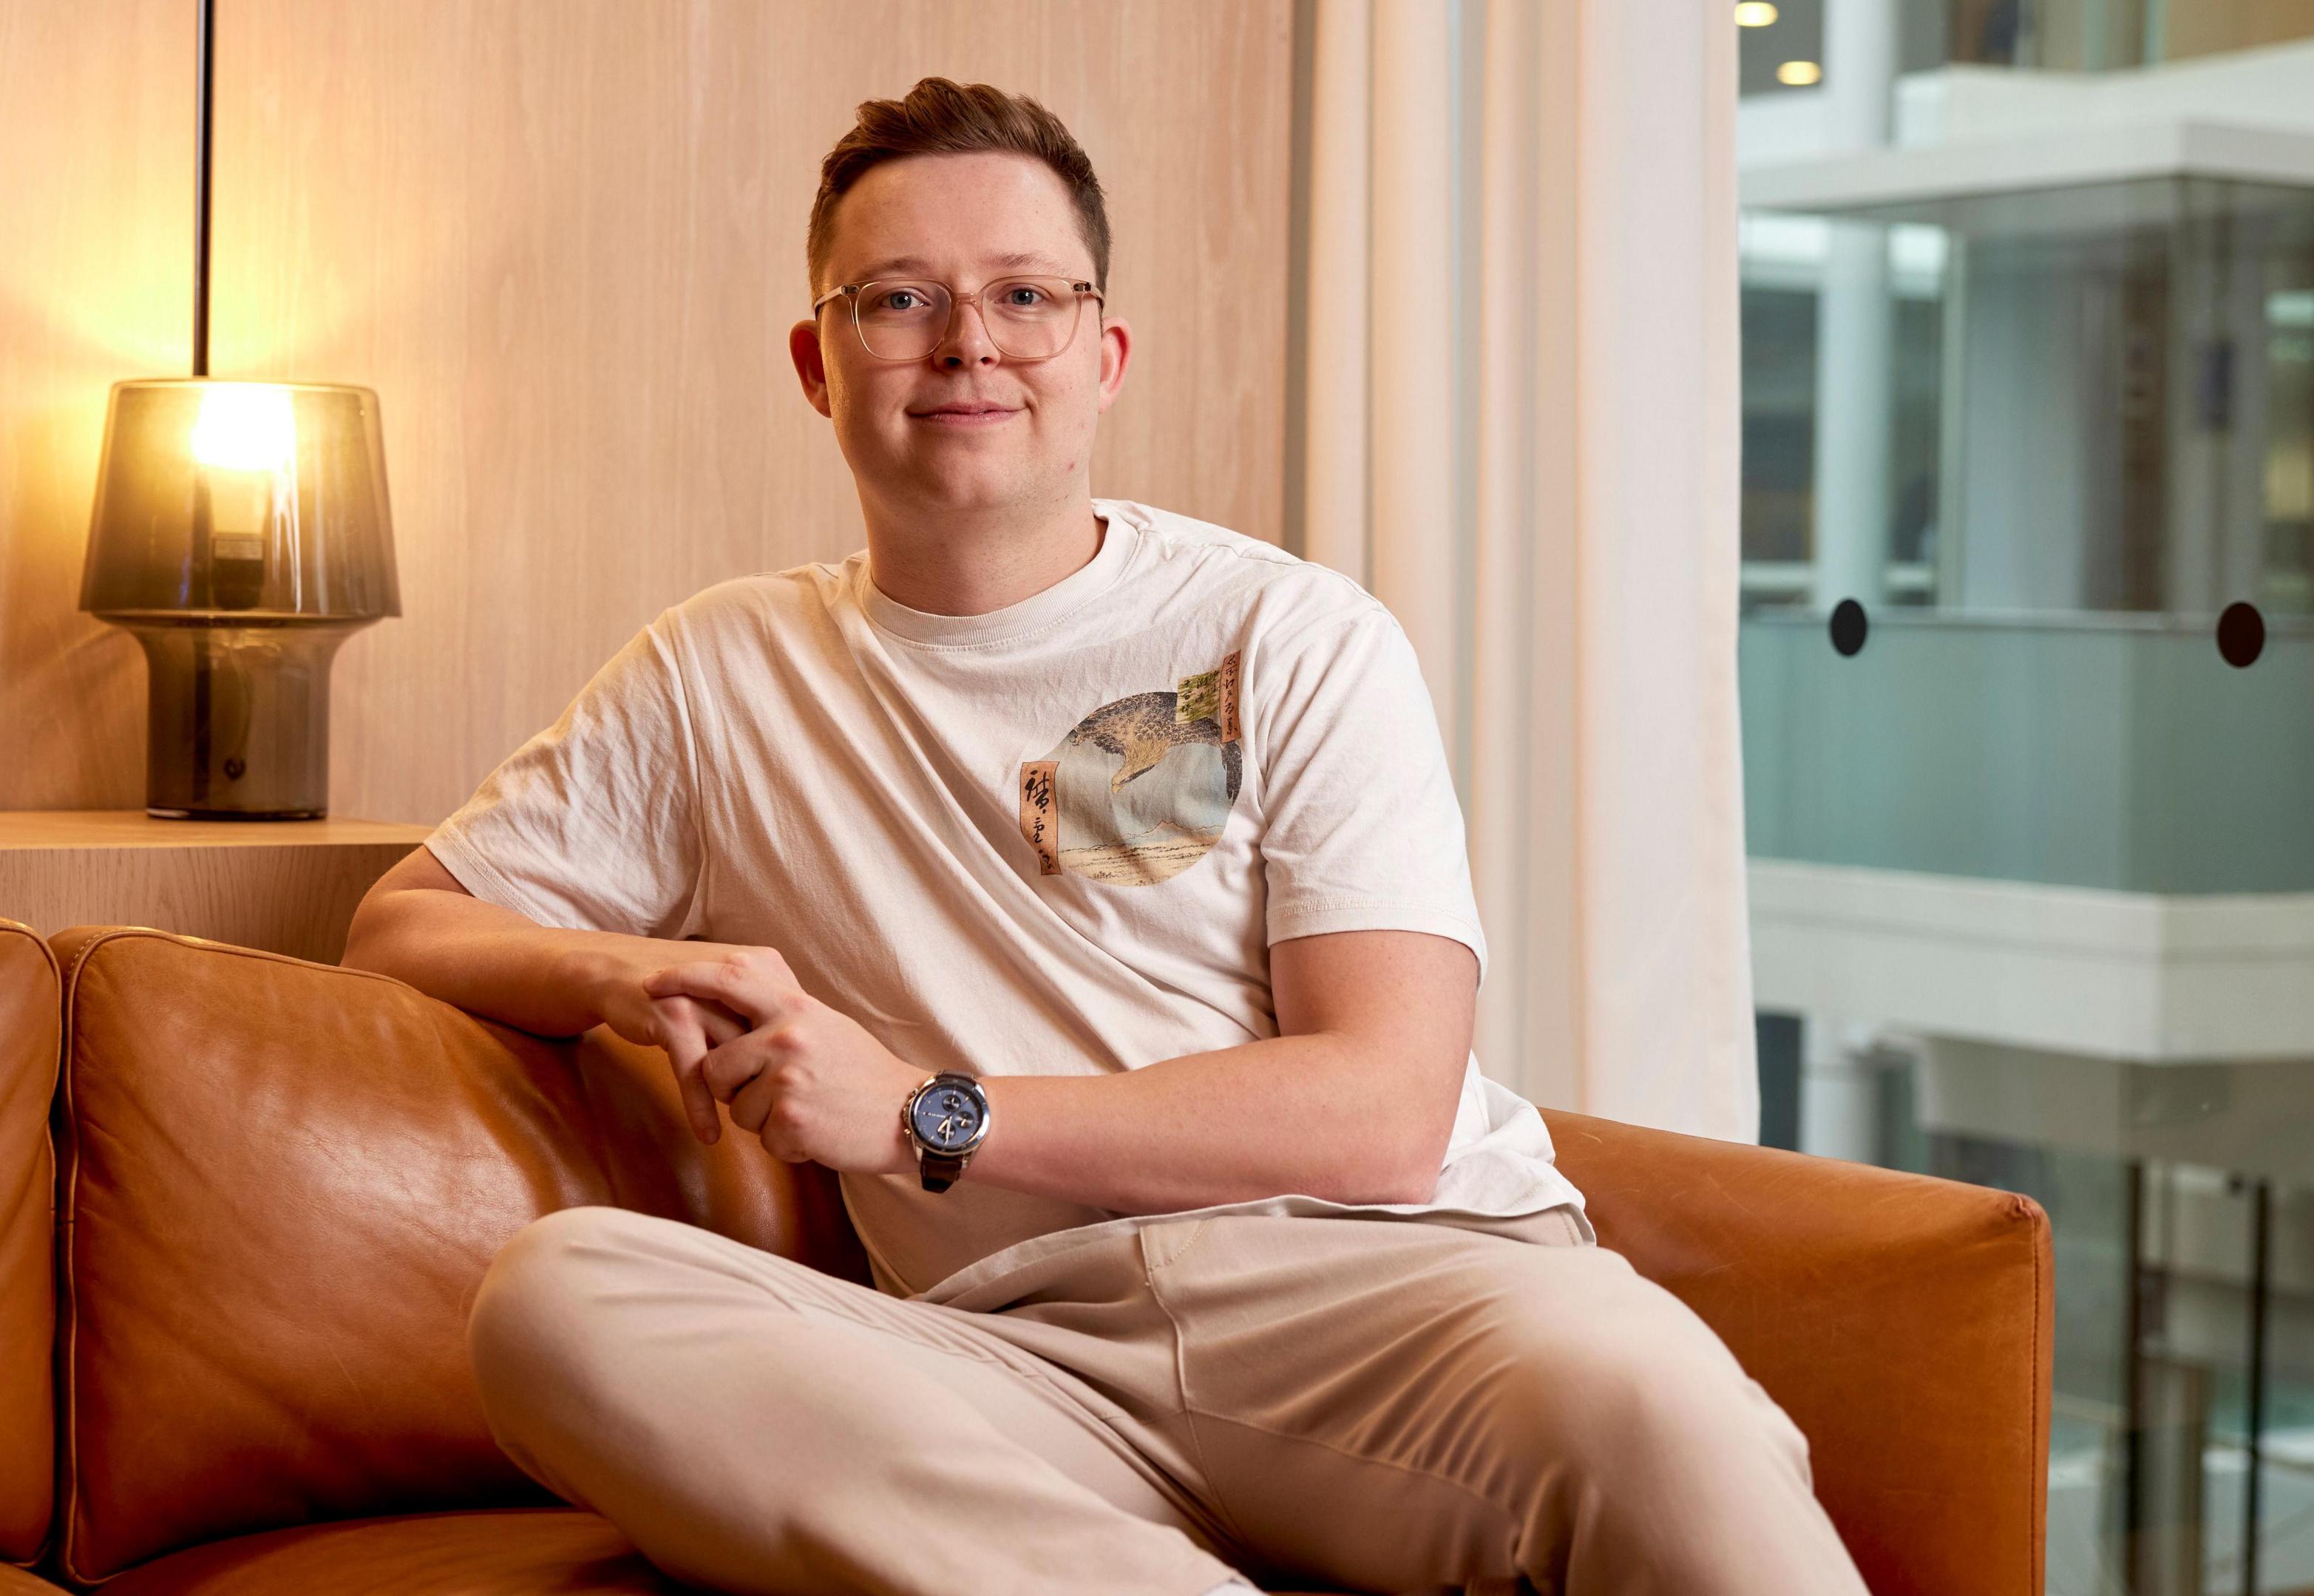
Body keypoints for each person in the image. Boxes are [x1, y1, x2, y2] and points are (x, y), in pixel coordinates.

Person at [342, 76, 1867, 1596]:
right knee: (559, 1303)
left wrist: (932, 1115)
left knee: (1657, 1406)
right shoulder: (716, 673)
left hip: (1398, 1302)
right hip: (1013, 1358)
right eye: (899, 300)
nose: (968, 345)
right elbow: (401, 925)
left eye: (1026, 295)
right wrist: (625, 972)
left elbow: (1386, 1103)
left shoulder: (1286, 631)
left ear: (1105, 353)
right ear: (818, 363)